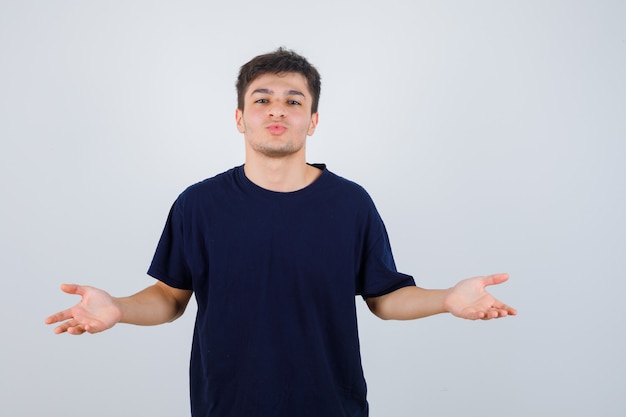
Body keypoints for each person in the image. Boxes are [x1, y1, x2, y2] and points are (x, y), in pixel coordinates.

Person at [45, 47, 516, 417]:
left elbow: (385, 297)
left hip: (331, 406)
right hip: (224, 407)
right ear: (239, 117)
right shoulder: (199, 204)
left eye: (294, 101)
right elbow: (170, 297)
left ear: (312, 120)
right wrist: (118, 309)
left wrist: (447, 298)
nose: (277, 111)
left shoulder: (350, 204)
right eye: (262, 99)